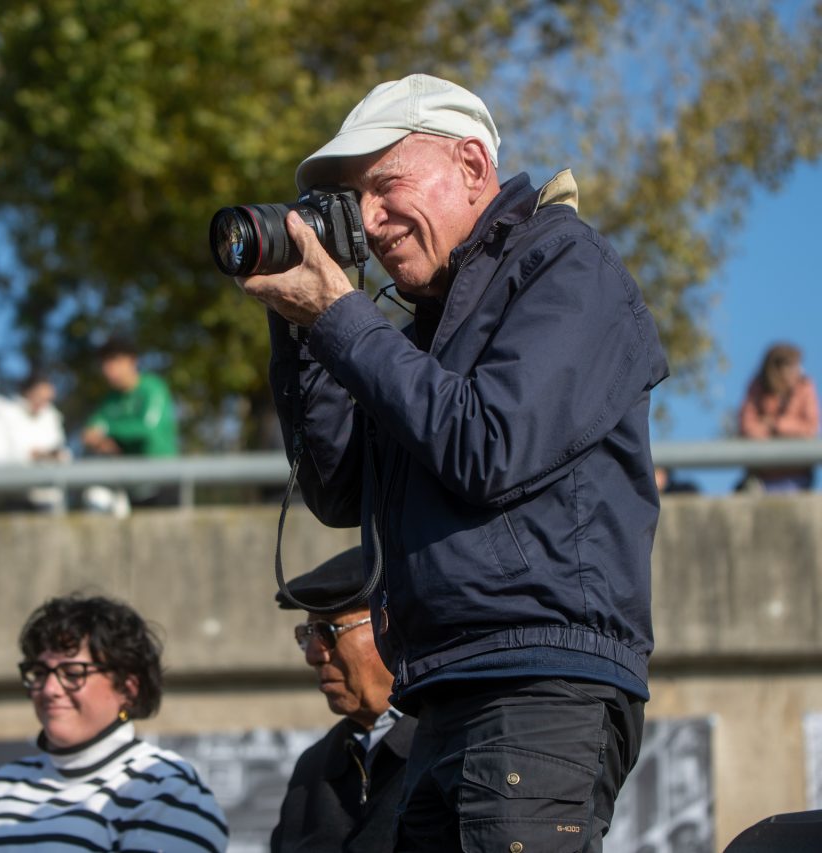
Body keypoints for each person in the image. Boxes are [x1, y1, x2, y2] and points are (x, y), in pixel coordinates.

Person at [238, 74, 669, 851]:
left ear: (472, 166)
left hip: (537, 685)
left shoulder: (566, 266)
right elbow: (338, 489)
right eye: (352, 202)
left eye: (385, 185)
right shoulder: (425, 329)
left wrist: (342, 317)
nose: (368, 221)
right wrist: (300, 330)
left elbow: (489, 445)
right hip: (439, 691)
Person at [0, 593, 228, 852]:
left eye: (73, 673)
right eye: (39, 672)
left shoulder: (165, 787)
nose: (49, 689)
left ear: (128, 688)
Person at [271, 546, 417, 853]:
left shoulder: (451, 747)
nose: (313, 654)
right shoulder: (313, 769)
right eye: (306, 634)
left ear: (387, 625)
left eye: (327, 631)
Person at [81, 338, 179, 508]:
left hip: (162, 482)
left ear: (132, 361)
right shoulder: (110, 400)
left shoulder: (152, 388)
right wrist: (101, 441)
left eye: (114, 362)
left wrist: (109, 431)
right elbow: (90, 432)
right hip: (131, 486)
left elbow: (148, 429)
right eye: (104, 364)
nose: (108, 370)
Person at [0, 371, 70, 512]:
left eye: (48, 399)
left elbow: (62, 456)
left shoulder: (52, 418)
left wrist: (56, 456)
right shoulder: (1, 416)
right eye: (40, 397)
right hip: (10, 502)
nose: (44, 404)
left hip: (48, 504)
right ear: (28, 392)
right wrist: (28, 456)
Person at [737, 342, 819, 492]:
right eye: (791, 367)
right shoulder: (757, 388)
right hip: (762, 476)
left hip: (797, 474)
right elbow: (747, 427)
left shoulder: (804, 387)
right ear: (776, 369)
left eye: (797, 366)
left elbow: (810, 427)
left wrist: (775, 425)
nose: (797, 371)